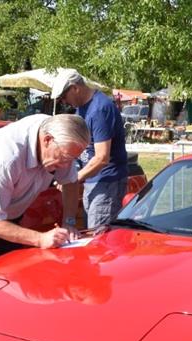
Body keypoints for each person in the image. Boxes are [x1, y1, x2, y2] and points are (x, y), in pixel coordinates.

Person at [0, 113, 90, 280]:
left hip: (8, 217)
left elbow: (70, 182)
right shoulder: (6, 157)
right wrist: (41, 239)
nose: (66, 165)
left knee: (11, 279)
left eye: (72, 159)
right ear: (47, 140)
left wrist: (69, 222)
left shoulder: (61, 138)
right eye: (64, 158)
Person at [54, 69, 129, 229]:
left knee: (98, 237)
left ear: (75, 88)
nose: (64, 102)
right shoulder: (81, 110)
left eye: (64, 96)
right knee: (91, 233)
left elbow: (102, 158)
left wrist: (74, 177)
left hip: (107, 183)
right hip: (92, 182)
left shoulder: (100, 109)